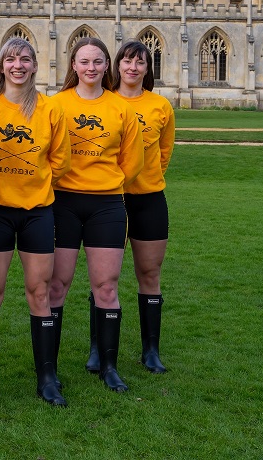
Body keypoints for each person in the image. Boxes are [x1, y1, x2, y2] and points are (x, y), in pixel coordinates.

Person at [0, 37, 71, 408]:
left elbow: (60, 160)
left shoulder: (49, 108)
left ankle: (47, 379)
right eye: (11, 59)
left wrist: (35, 182)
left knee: (39, 293)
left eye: (25, 59)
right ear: (1, 65)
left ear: (34, 65)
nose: (18, 66)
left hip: (38, 213)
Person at [49, 37, 143, 393]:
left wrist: (109, 183)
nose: (91, 68)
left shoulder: (121, 108)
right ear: (73, 65)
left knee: (106, 288)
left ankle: (109, 367)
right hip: (64, 203)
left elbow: (133, 162)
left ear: (108, 66)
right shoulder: (56, 105)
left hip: (106, 205)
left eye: (98, 62)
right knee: (56, 286)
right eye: (84, 61)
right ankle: (50, 369)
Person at [109, 39, 175, 374]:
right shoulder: (104, 101)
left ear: (147, 69)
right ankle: (100, 350)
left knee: (149, 274)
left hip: (149, 199)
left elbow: (164, 154)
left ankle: (150, 350)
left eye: (140, 63)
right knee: (106, 278)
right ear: (117, 65)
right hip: (110, 200)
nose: (133, 67)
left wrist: (145, 178)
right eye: (127, 61)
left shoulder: (160, 106)